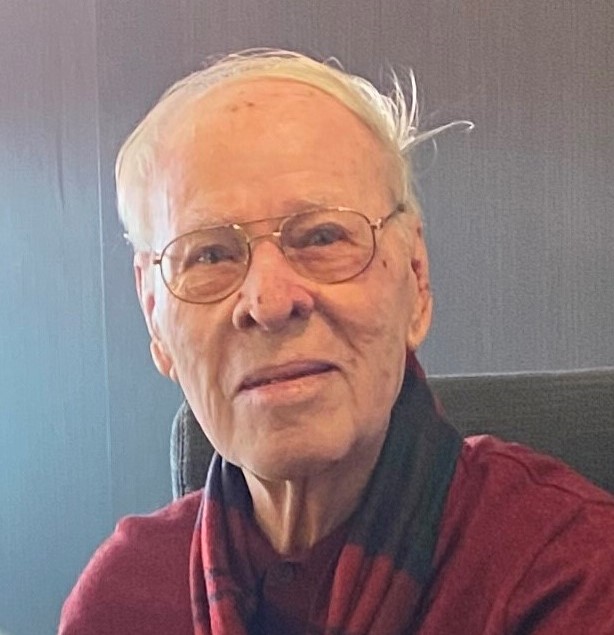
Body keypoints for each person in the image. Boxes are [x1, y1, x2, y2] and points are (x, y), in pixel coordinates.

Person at [59, 49, 614, 634]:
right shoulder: (123, 601)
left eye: (322, 237)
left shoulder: (570, 572)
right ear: (155, 320)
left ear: (416, 281)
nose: (269, 303)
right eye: (210, 255)